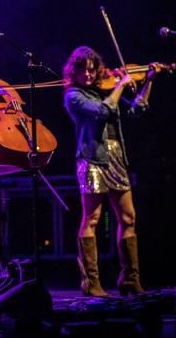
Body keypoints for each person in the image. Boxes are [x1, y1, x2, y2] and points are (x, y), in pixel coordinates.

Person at [63, 46, 161, 297]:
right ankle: (91, 282)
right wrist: (120, 85)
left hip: (117, 157)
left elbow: (137, 109)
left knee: (129, 218)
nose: (88, 74)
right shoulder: (74, 95)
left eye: (92, 69)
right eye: (83, 69)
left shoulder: (103, 90)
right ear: (74, 71)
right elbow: (101, 112)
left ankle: (130, 278)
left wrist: (147, 82)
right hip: (93, 159)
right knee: (92, 219)